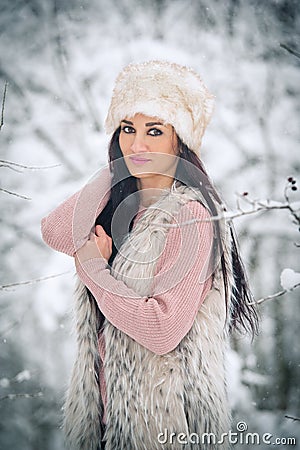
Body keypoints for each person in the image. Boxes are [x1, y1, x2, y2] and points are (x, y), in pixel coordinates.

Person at [41, 61, 258, 450]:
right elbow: (55, 230)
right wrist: (119, 171)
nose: (137, 144)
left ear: (181, 141)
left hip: (164, 426)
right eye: (128, 129)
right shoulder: (123, 202)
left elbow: (160, 330)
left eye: (154, 131)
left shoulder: (189, 217)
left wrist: (94, 268)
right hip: (107, 422)